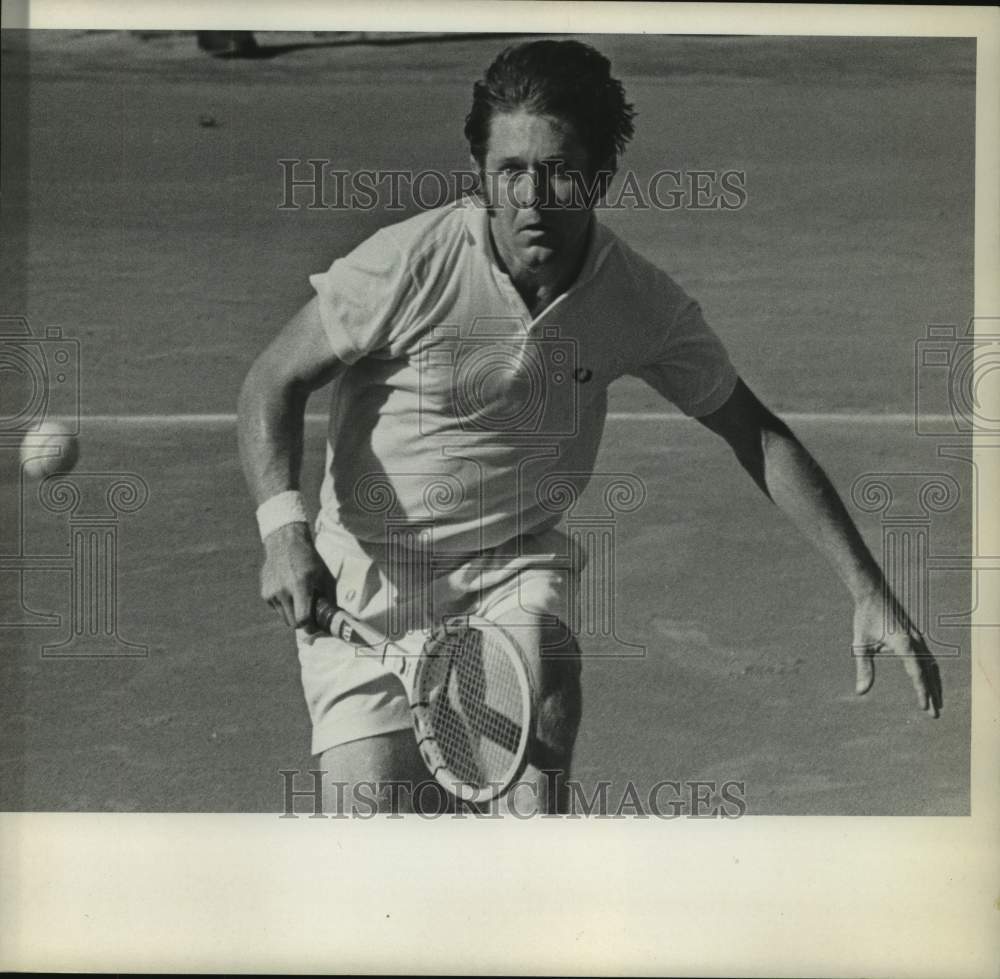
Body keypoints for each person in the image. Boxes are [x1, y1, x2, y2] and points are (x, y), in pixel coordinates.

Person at [237, 40, 941, 815]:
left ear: (600, 175)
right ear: (481, 172)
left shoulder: (633, 299)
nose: (533, 197)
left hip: (510, 565)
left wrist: (868, 588)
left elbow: (755, 431)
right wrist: (283, 530)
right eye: (509, 170)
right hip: (369, 579)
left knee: (542, 667)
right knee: (371, 842)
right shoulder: (406, 263)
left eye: (559, 170)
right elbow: (273, 378)